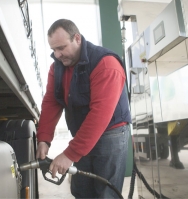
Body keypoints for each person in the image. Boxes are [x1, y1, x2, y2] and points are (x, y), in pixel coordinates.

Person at [36, 19, 131, 198]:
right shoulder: (57, 68)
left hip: (110, 136)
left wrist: (70, 154)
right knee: (81, 191)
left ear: (77, 39)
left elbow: (100, 114)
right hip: (83, 134)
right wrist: (44, 138)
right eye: (53, 50)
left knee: (106, 193)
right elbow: (51, 101)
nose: (57, 55)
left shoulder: (105, 64)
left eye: (61, 48)